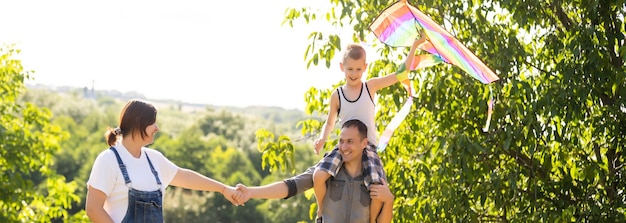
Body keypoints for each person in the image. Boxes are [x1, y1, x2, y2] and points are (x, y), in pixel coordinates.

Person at [311, 35, 425, 222]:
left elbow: (400, 74)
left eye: (358, 69)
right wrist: (323, 138)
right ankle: (321, 211)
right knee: (318, 175)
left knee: (377, 186)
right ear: (342, 67)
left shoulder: (370, 87)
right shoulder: (337, 95)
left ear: (365, 67)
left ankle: (371, 220)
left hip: (367, 146)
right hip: (346, 146)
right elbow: (330, 121)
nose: (354, 74)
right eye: (350, 69)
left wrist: (415, 45)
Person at [85, 99, 241, 223]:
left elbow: (186, 177)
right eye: (153, 122)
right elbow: (93, 209)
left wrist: (223, 189)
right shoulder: (108, 160)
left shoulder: (154, 159)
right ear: (139, 123)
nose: (157, 128)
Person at [235, 119, 395, 223]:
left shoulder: (375, 177)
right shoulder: (326, 172)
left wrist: (389, 201)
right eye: (341, 141)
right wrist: (250, 192)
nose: (344, 147)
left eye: (350, 142)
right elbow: (291, 186)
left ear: (364, 143)